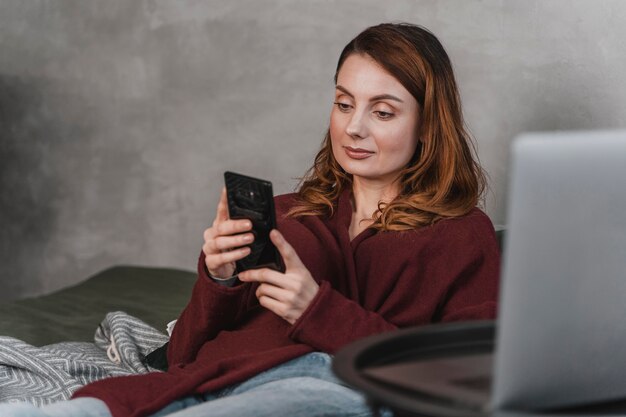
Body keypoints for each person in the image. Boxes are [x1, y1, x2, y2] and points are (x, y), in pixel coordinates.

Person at [0, 22, 499, 417]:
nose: (353, 126)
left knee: (331, 394)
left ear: (428, 124)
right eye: (344, 103)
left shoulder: (460, 235)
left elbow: (468, 379)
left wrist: (316, 311)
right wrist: (217, 278)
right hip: (209, 376)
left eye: (383, 112)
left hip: (325, 387)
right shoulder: (288, 212)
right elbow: (183, 356)